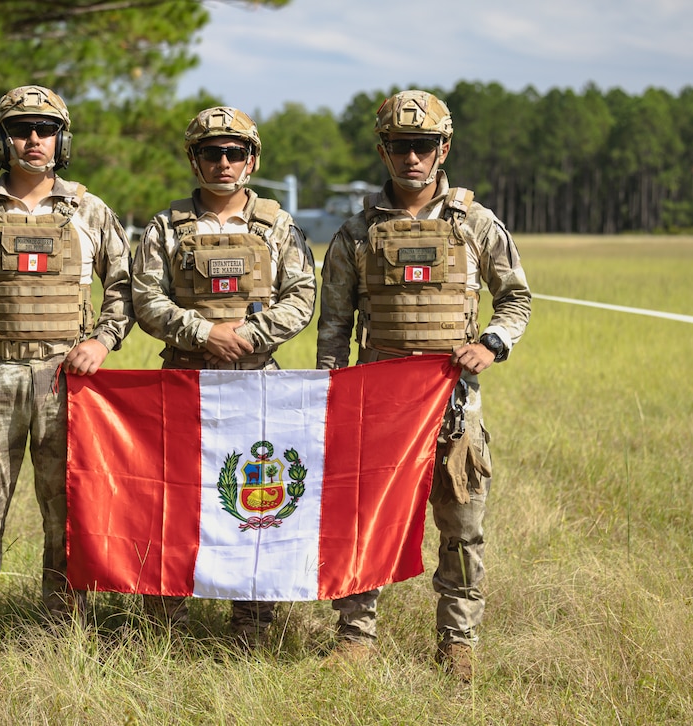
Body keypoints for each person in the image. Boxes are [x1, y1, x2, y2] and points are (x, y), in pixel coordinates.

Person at [315, 90, 531, 682]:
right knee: (368, 521)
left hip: (453, 405)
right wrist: (334, 392)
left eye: (425, 145)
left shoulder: (475, 224)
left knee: (462, 527)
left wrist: (490, 343)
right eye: (401, 146)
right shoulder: (357, 233)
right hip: (377, 406)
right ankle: (355, 635)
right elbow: (333, 325)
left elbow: (515, 297)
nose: (413, 157)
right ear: (384, 151)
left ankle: (457, 641)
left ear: (444, 148)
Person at [0, 85, 134, 677]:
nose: (34, 140)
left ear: (61, 140)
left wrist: (102, 340)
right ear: (3, 140)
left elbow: (125, 288)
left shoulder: (90, 213)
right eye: (21, 130)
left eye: (45, 129)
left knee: (67, 510)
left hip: (65, 382)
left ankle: (60, 629)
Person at [131, 106, 317, 649]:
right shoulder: (166, 227)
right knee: (175, 500)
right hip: (183, 381)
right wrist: (201, 333)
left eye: (235, 152)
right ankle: (164, 624)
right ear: (194, 158)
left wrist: (251, 335)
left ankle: (253, 626)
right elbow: (145, 298)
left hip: (257, 384)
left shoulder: (278, 226)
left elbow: (303, 297)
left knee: (254, 503)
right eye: (211, 152)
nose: (224, 162)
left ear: (252, 159)